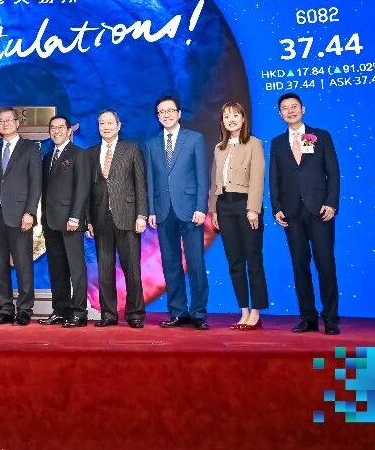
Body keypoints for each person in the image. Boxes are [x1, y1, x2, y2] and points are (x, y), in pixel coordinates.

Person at [269, 92, 342, 335]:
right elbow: (274, 178)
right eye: (285, 108)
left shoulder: (319, 136)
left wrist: (331, 203)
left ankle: (330, 318)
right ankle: (308, 318)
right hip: (291, 213)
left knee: (325, 264)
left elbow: (333, 173)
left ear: (303, 109)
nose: (290, 111)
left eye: (294, 106)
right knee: (300, 265)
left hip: (319, 210)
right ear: (280, 114)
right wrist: (277, 207)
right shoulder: (277, 143)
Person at [143, 95, 211, 330]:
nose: (166, 115)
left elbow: (202, 176)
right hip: (163, 211)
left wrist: (201, 207)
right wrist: (151, 209)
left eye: (170, 111)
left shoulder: (194, 139)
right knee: (170, 264)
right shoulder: (151, 143)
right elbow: (150, 180)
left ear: (179, 113)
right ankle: (178, 312)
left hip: (191, 210)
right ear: (157, 116)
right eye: (161, 112)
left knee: (196, 263)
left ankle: (199, 313)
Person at [0, 107, 42, 326]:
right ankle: (4, 308)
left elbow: (36, 183)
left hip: (21, 216)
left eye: (8, 120)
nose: (4, 124)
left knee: (24, 264)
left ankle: (24, 309)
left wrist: (30, 212)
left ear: (17, 123)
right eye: (1, 121)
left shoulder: (30, 148)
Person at [208, 102, 268, 331]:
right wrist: (214, 210)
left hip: (245, 204)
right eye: (226, 116)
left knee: (253, 259)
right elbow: (215, 182)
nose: (231, 119)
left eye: (235, 115)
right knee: (234, 261)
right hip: (224, 206)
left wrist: (253, 208)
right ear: (222, 121)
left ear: (243, 119)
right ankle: (243, 311)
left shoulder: (254, 144)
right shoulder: (219, 148)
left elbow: (257, 178)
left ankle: (256, 312)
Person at [88, 109, 148, 328]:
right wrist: (88, 220)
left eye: (110, 123)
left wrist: (141, 215)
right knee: (105, 271)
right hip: (100, 219)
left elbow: (140, 184)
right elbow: (88, 190)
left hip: (128, 217)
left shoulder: (131, 149)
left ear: (119, 125)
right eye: (101, 123)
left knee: (132, 269)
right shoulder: (91, 153)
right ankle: (108, 314)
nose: (106, 127)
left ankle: (135, 314)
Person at [39, 115, 90, 328]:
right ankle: (60, 310)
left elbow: (82, 188)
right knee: (57, 268)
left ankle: (79, 312)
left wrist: (75, 216)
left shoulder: (79, 154)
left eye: (61, 127)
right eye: (53, 127)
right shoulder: (47, 157)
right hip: (51, 221)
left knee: (76, 268)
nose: (56, 131)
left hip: (71, 220)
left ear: (70, 131)